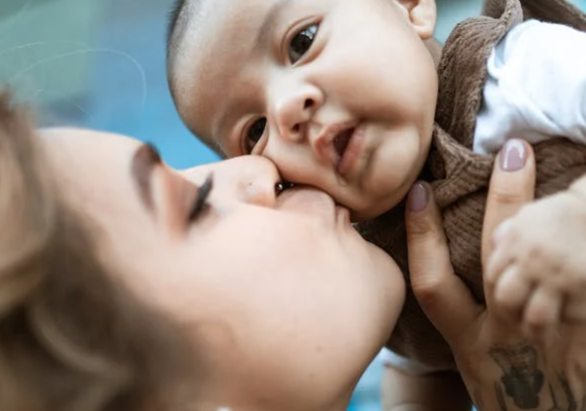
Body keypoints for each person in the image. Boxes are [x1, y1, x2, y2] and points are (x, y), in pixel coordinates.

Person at [164, 0, 586, 370]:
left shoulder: (519, 70)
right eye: (255, 132)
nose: (286, 107)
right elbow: (417, 373)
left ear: (409, 6)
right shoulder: (375, 272)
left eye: (301, 42)